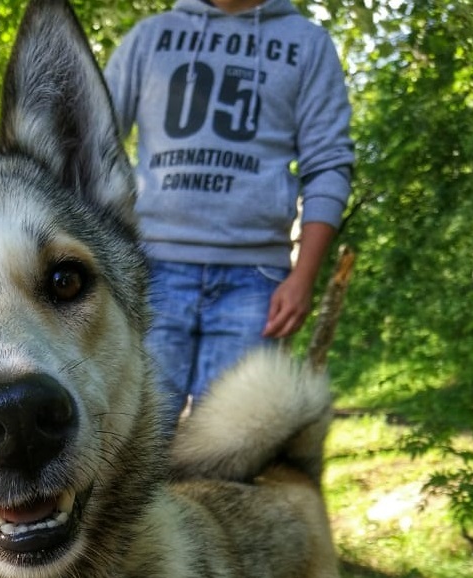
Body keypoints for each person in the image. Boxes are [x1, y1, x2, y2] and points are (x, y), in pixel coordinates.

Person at [104, 0, 354, 431]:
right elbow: (91, 141)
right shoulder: (150, 36)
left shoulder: (307, 44)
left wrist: (304, 276)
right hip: (151, 270)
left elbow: (329, 164)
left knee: (231, 448)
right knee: (132, 440)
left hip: (256, 282)